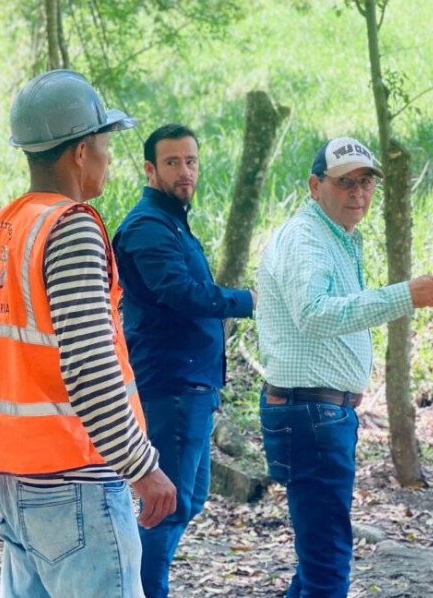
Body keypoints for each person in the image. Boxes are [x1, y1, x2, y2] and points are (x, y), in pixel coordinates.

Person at [0, 69, 177, 598]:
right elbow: (89, 366)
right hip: (73, 474)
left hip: (13, 475)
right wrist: (142, 467)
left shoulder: (1, 229)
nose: (110, 155)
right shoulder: (71, 226)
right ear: (81, 151)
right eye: (106, 142)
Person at [256, 136, 433, 597]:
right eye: (345, 183)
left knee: (318, 558)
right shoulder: (307, 238)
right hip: (312, 414)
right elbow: (314, 314)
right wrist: (406, 295)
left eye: (366, 182)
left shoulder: (334, 237)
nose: (358, 193)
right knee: (327, 562)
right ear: (314, 185)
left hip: (318, 413)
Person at [112, 124, 256, 598]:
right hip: (171, 385)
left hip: (194, 384)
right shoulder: (147, 227)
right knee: (167, 506)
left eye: (190, 161)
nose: (184, 171)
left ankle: (135, 584)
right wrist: (247, 300)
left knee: (188, 500)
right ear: (150, 169)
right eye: (172, 162)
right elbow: (180, 293)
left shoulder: (173, 221)